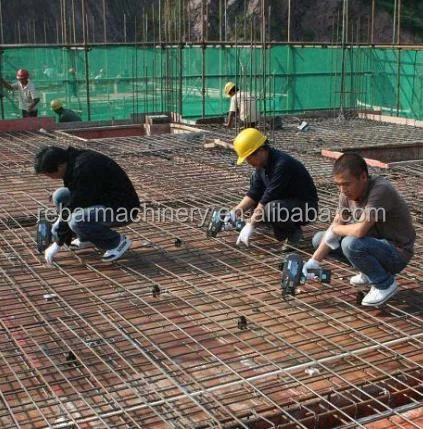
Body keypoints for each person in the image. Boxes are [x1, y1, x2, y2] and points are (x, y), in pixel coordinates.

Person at [303, 152, 415, 307]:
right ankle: (369, 272)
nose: (343, 189)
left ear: (363, 177)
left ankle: (384, 284)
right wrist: (313, 262)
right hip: (375, 245)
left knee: (351, 243)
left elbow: (360, 230)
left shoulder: (380, 190)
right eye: (338, 185)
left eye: (346, 184)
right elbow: (337, 223)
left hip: (397, 252)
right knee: (319, 239)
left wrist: (336, 230)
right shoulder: (346, 193)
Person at [34, 146, 140, 264]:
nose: (50, 177)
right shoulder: (72, 162)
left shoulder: (83, 169)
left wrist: (58, 242)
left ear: (59, 166)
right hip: (102, 199)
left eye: (48, 174)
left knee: (77, 221)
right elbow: (74, 201)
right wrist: (59, 225)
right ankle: (86, 238)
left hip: (123, 209)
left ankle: (117, 242)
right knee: (60, 195)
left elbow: (74, 205)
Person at [227, 128, 318, 247]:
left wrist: (250, 225)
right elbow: (254, 192)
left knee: (271, 208)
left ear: (260, 151)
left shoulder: (282, 165)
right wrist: (234, 213)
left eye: (248, 157)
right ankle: (271, 224)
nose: (248, 162)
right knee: (256, 187)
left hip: (305, 208)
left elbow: (268, 197)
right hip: (285, 202)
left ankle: (293, 233)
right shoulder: (262, 164)